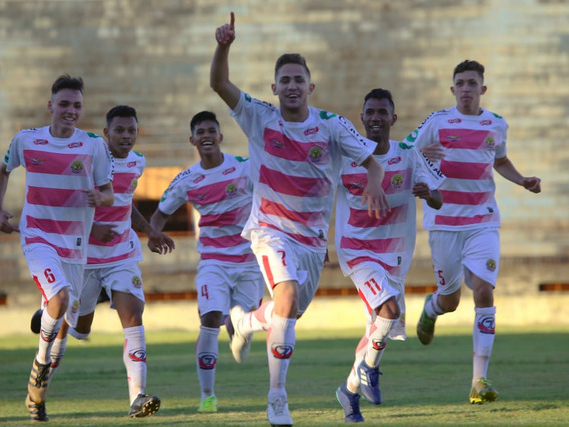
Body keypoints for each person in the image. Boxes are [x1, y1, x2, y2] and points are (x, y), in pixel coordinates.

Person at [210, 12, 389, 426]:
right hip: (270, 229)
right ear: (274, 88)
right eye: (284, 80)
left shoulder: (331, 126)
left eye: (298, 80)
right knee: (286, 299)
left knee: (283, 313)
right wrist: (224, 46)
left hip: (310, 241)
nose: (291, 86)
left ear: (311, 86)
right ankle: (277, 399)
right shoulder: (260, 116)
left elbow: (371, 160)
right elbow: (219, 84)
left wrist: (375, 182)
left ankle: (242, 321)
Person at [405, 60, 542, 404]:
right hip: (444, 223)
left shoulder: (496, 124)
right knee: (451, 299)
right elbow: (403, 153)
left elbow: (499, 160)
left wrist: (522, 179)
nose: (466, 89)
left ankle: (478, 380)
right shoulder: (437, 122)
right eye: (460, 83)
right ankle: (432, 308)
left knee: (483, 292)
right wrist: (421, 152)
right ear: (452, 90)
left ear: (483, 89)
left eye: (472, 83)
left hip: (483, 221)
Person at [0, 74, 114, 422]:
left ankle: (37, 398)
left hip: (74, 246)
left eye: (77, 105)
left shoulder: (93, 145)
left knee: (63, 325)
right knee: (59, 300)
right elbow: (2, 171)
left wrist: (99, 197)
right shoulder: (27, 140)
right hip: (37, 236)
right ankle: (40, 362)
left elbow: (109, 192)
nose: (71, 111)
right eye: (64, 104)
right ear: (50, 106)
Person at [44, 105, 174, 419]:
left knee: (133, 315)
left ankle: (137, 398)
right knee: (80, 327)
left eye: (131, 130)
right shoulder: (88, 160)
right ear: (106, 133)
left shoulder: (138, 162)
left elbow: (126, 204)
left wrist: (149, 231)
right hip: (84, 258)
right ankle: (45, 366)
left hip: (122, 254)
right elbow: (67, 204)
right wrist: (93, 228)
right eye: (119, 130)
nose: (126, 136)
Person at [334, 89, 444, 423]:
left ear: (393, 119)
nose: (376, 117)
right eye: (371, 112)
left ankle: (349, 391)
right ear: (362, 117)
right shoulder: (343, 158)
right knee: (389, 310)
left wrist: (428, 193)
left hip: (394, 256)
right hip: (356, 250)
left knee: (376, 329)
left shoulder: (409, 155)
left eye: (383, 112)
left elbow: (439, 200)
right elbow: (319, 194)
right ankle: (369, 369)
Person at [149, 110, 264, 414]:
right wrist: (153, 234)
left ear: (220, 136)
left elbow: (272, 193)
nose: (207, 136)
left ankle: (241, 331)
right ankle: (207, 396)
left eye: (212, 130)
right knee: (210, 318)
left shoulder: (243, 168)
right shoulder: (187, 179)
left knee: (242, 319)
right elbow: (160, 212)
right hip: (213, 261)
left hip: (250, 261)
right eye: (200, 132)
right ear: (193, 140)